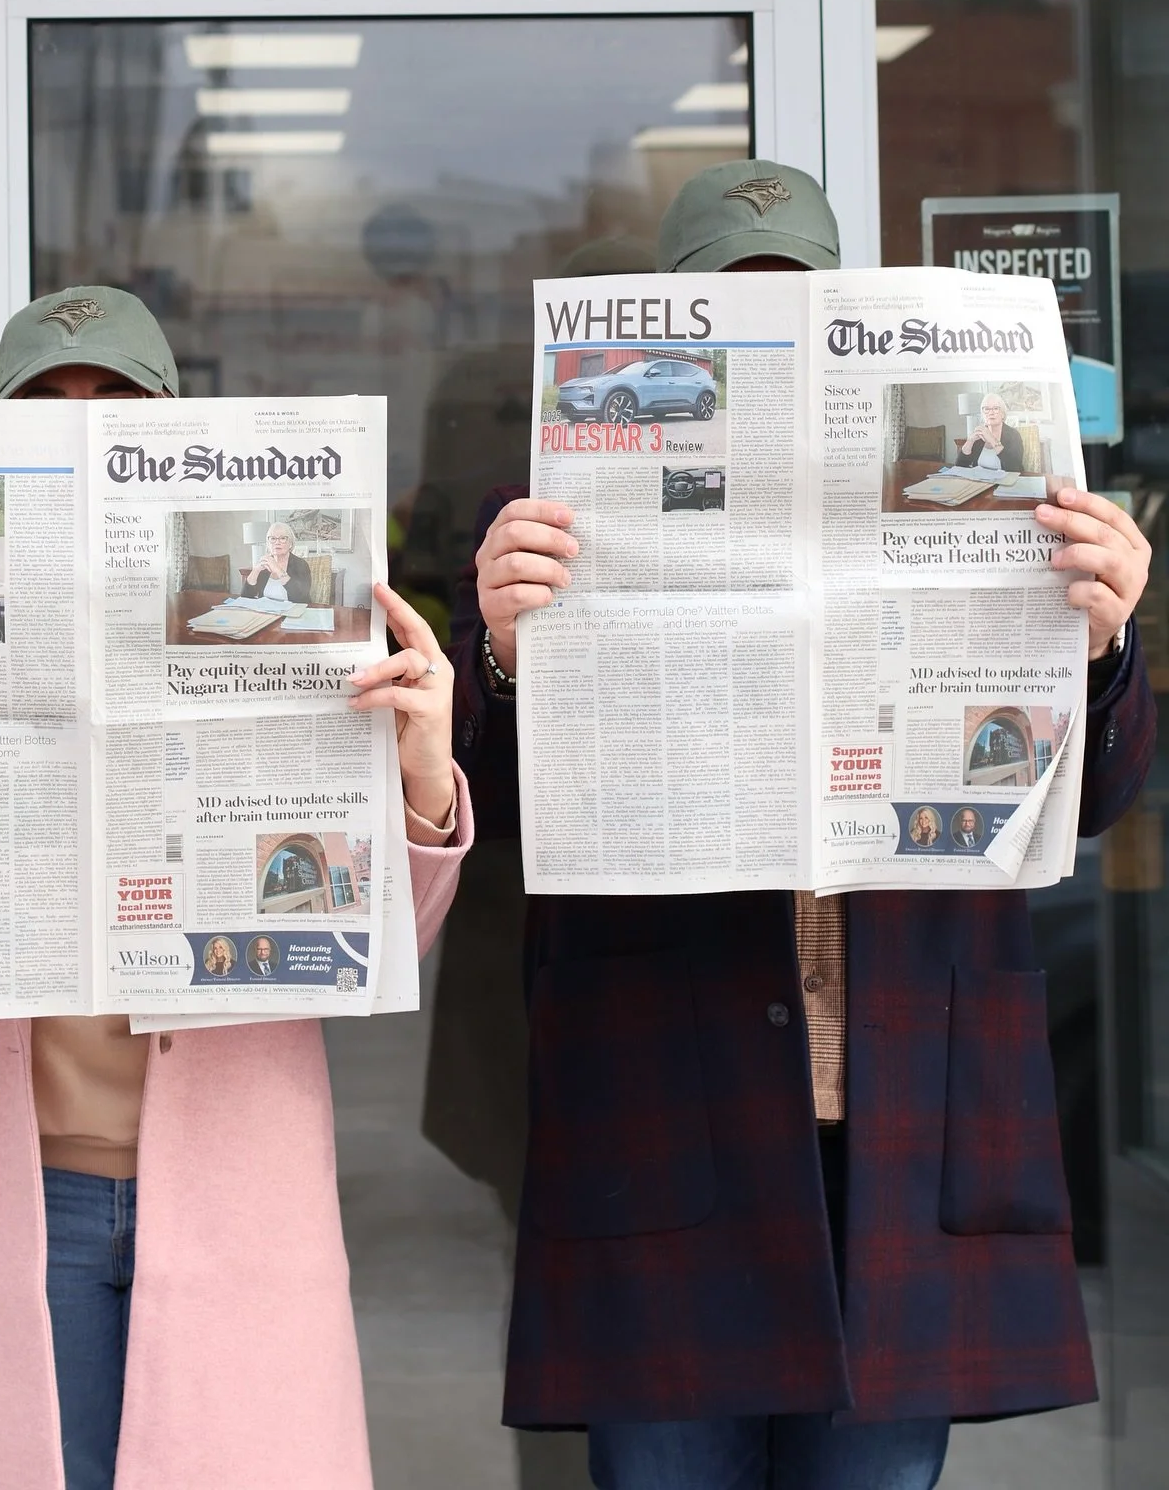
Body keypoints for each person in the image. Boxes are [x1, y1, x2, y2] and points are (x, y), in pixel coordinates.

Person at [449, 162, 1156, 1490]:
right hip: (674, 1106)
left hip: (910, 1104)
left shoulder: (1007, 500)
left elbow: (1097, 801)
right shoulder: (544, 524)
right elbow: (481, 811)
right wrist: (497, 655)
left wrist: (1105, 648)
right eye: (728, 314)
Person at [0, 283, 473, 1490]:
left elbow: (396, 941)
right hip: (10, 1199)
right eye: (49, 406)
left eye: (114, 407)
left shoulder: (273, 608)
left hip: (235, 1197)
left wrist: (423, 766)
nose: (83, 423)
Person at [954, 391, 1024, 474]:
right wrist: (970, 441)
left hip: (1005, 483)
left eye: (996, 408)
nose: (991, 412)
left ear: (1003, 414)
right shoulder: (979, 435)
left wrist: (992, 439)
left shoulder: (1013, 435)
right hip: (981, 483)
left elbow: (1015, 468)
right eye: (986, 409)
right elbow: (959, 467)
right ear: (983, 414)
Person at [243, 523, 312, 604]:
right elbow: (245, 597)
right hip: (266, 612)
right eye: (272, 538)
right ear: (268, 544)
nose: (277, 542)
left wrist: (277, 569)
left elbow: (301, 598)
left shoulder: (301, 565)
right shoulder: (265, 563)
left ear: (290, 544)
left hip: (292, 613)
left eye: (283, 538)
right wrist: (255, 571)